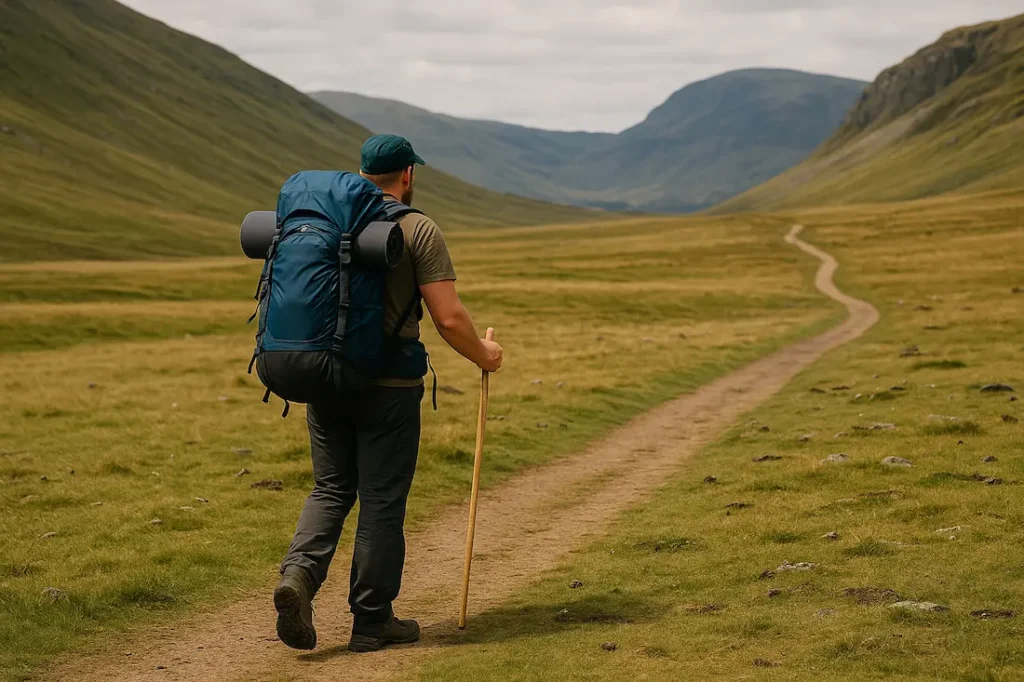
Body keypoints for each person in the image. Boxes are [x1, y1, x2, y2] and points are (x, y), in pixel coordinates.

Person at [273, 134, 504, 653]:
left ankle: (299, 579)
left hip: (325, 377)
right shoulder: (417, 227)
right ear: (408, 175)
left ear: (360, 174)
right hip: (392, 388)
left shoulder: (331, 222)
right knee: (380, 499)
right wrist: (485, 357)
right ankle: (372, 620)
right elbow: (447, 316)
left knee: (331, 488)